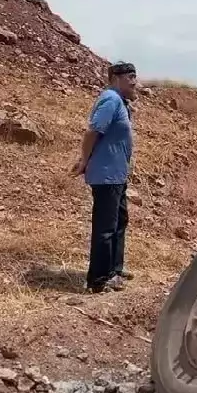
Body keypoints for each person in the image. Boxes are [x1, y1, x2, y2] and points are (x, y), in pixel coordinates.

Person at [71, 61, 138, 293]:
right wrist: (84, 161)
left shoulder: (121, 102)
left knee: (120, 222)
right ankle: (98, 280)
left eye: (134, 77)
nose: (133, 81)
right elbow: (92, 131)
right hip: (106, 175)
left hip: (117, 175)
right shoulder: (110, 99)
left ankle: (114, 270)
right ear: (115, 78)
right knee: (106, 228)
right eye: (129, 77)